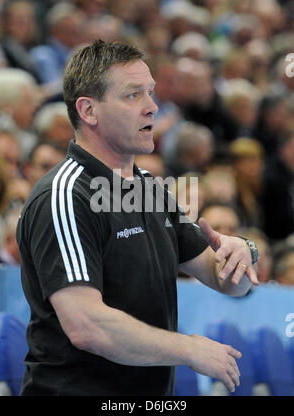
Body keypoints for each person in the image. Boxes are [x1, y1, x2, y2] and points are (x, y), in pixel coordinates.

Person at [16, 40, 259, 396]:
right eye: (133, 95)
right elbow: (87, 325)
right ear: (88, 110)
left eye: (151, 93)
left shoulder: (148, 188)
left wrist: (242, 253)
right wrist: (188, 348)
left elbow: (227, 282)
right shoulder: (65, 196)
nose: (152, 107)